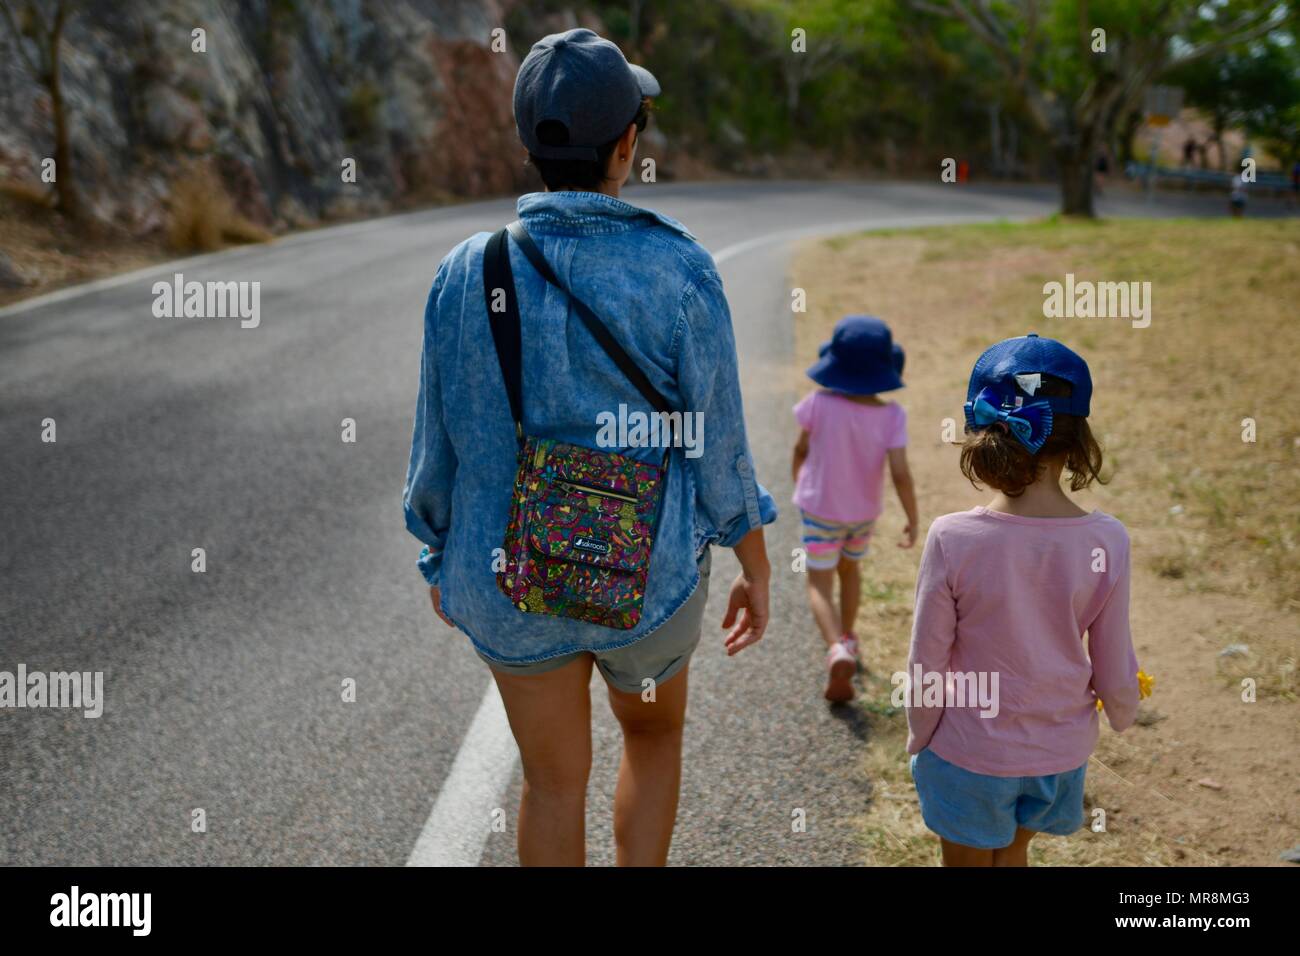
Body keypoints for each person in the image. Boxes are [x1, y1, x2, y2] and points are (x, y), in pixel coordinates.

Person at [402, 28, 776, 867]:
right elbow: (718, 449)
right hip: (645, 583)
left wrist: (439, 551)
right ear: (628, 144)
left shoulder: (466, 270)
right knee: (651, 737)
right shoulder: (680, 269)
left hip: (509, 581)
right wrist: (754, 562)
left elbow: (440, 440)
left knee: (551, 781)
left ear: (528, 144)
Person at [905, 334, 1140, 867]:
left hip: (968, 750)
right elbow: (1113, 656)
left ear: (981, 430)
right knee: (1013, 857)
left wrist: (920, 732)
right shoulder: (1108, 539)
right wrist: (1123, 712)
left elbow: (927, 659)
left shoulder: (952, 537)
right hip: (1056, 756)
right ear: (1079, 440)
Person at [791, 316, 917, 702]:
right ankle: (848, 634)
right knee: (851, 569)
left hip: (820, 510)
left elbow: (800, 450)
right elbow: (900, 474)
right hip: (862, 515)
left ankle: (836, 648)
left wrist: (799, 481)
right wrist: (913, 517)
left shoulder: (818, 403)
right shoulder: (892, 415)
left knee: (818, 582)